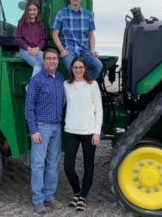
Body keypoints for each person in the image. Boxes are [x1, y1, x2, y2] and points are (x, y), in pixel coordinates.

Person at [24, 48, 65, 214]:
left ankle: (49, 196)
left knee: (53, 163)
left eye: (54, 58)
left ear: (57, 61)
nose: (51, 61)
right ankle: (38, 200)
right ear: (44, 61)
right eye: (48, 58)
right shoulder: (37, 80)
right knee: (38, 164)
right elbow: (29, 107)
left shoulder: (60, 78)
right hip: (42, 127)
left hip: (57, 127)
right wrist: (34, 130)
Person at [63, 57, 103, 212]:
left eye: (81, 67)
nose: (78, 70)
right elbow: (61, 104)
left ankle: (83, 197)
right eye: (75, 67)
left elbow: (98, 110)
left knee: (88, 166)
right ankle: (77, 192)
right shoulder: (66, 85)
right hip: (71, 131)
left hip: (88, 132)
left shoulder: (92, 85)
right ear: (72, 69)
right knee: (68, 166)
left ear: (85, 69)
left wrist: (97, 132)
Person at [52, 0, 104, 79]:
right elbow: (55, 34)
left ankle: (86, 85)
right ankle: (76, 88)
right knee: (71, 68)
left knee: (98, 66)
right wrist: (62, 50)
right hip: (69, 50)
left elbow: (91, 34)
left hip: (85, 50)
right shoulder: (61, 13)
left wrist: (93, 49)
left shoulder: (88, 15)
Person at [15, 3, 46, 77]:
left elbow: (43, 40)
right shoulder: (22, 23)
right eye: (30, 10)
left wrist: (37, 48)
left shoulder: (41, 24)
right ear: (26, 11)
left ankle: (31, 85)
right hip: (24, 50)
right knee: (37, 65)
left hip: (37, 49)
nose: (32, 12)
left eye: (34, 9)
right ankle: (32, 85)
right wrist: (28, 48)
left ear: (38, 11)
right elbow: (18, 38)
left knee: (43, 56)